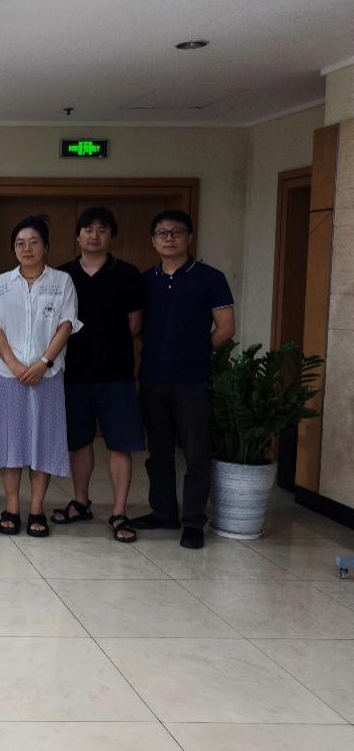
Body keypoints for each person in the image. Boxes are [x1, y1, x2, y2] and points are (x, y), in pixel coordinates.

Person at [133, 209, 234, 550]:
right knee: (158, 451)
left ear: (189, 238)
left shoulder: (210, 278)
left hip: (193, 379)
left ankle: (192, 521)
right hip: (153, 377)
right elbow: (138, 327)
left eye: (176, 232)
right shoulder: (145, 281)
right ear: (153, 241)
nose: (169, 238)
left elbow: (226, 327)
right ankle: (164, 512)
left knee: (195, 453)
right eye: (162, 233)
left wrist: (197, 350)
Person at [0, 215, 81, 537]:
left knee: (43, 442)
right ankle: (12, 507)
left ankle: (37, 508)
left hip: (47, 377)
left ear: (46, 246)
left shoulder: (62, 282)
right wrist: (13, 364)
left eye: (33, 242)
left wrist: (43, 362)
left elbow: (66, 324)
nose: (26, 248)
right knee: (10, 443)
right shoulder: (1, 284)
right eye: (20, 243)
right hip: (7, 375)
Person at [53, 207, 147, 543]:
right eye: (88, 230)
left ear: (111, 235)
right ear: (77, 236)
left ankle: (119, 511)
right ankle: (81, 502)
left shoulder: (128, 274)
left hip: (117, 374)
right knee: (79, 442)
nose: (94, 235)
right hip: (74, 373)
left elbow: (134, 324)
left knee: (120, 444)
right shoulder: (63, 275)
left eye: (102, 229)